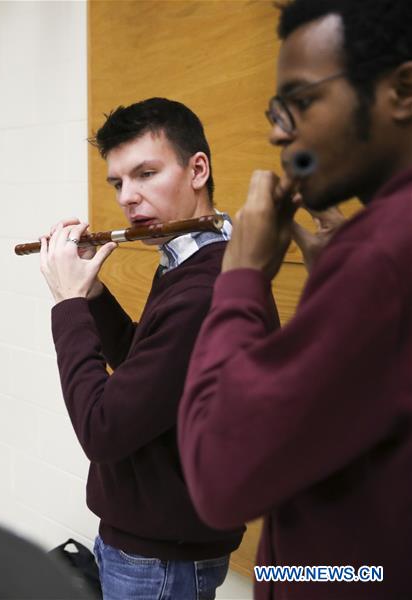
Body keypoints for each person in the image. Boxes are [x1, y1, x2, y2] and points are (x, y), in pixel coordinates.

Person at [177, 1, 411, 598]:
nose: (280, 132)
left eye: (302, 103)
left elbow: (218, 475)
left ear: (403, 91)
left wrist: (244, 273)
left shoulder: (382, 253)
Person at [39, 98, 243, 599]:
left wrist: (68, 305)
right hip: (147, 541)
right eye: (118, 182)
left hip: (162, 558)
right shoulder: (184, 259)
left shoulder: (207, 288)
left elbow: (102, 428)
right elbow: (146, 365)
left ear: (198, 169)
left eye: (146, 174)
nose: (128, 197)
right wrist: (91, 292)